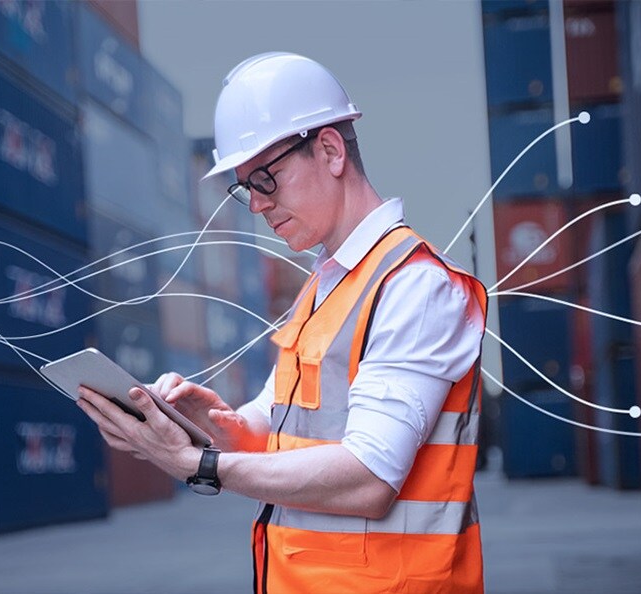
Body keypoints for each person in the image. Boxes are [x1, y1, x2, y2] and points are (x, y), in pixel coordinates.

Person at [76, 52, 488, 593]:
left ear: (331, 151)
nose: (256, 205)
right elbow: (274, 431)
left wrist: (201, 465)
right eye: (246, 187)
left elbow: (369, 478)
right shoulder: (323, 288)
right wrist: (210, 423)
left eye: (266, 178)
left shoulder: (415, 287)